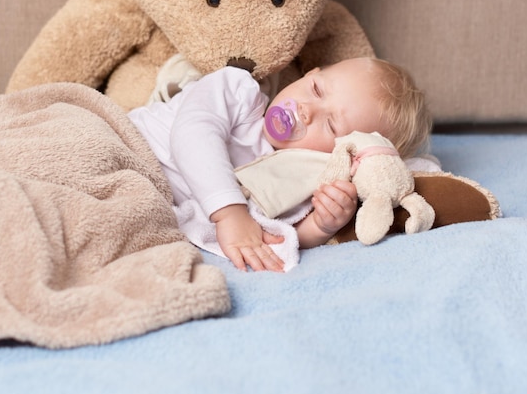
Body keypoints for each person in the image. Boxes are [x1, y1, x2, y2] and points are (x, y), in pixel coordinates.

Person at [127, 57, 432, 273]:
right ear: (308, 73)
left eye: (331, 126)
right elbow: (192, 134)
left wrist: (321, 226)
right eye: (316, 90)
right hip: (123, 142)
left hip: (140, 195)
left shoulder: (296, 180)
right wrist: (230, 213)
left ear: (345, 154)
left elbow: (275, 233)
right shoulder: (237, 92)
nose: (307, 110)